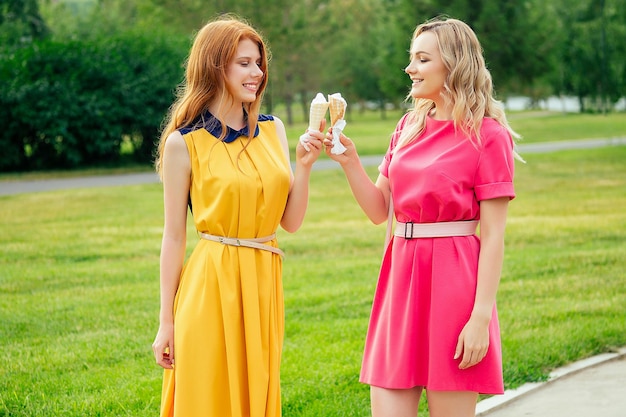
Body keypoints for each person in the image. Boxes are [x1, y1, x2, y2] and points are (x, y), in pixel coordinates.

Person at [324, 17, 519, 417]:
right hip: (401, 279)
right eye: (411, 59)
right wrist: (350, 162)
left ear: (453, 64)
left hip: (455, 287)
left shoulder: (488, 136)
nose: (410, 68)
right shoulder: (407, 127)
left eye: (422, 59)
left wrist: (480, 317)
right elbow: (380, 211)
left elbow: (494, 236)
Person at [151, 15, 323, 417]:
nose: (257, 73)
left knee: (256, 393)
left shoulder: (273, 129)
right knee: (209, 395)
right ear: (215, 66)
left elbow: (290, 223)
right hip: (212, 282)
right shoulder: (183, 143)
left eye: (259, 63)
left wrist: (305, 166)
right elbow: (173, 237)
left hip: (264, 279)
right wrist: (166, 322)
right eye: (244, 63)